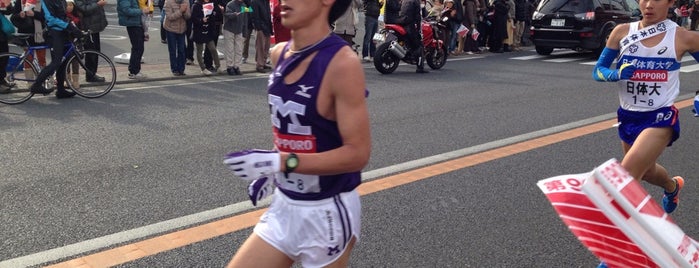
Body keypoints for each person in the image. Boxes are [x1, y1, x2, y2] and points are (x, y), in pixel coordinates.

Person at [222, 0, 370, 265]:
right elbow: (296, 133)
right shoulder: (279, 53)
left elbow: (357, 154)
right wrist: (275, 167)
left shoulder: (342, 63)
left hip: (327, 213)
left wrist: (282, 162)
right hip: (284, 207)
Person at [591, 0, 696, 264]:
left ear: (670, 2)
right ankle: (672, 186)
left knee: (625, 180)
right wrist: (614, 75)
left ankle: (613, 254)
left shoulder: (683, 37)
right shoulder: (622, 32)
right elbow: (598, 71)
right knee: (646, 171)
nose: (648, 5)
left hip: (660, 117)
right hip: (628, 116)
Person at [31, 0, 84, 97]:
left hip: (63, 32)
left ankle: (60, 90)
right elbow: (50, 18)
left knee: (64, 61)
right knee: (56, 61)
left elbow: (63, 16)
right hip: (54, 33)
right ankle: (37, 85)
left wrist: (72, 27)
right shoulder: (46, 1)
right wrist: (68, 26)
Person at [11, 0, 47, 81]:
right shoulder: (20, 2)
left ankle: (43, 80)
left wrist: (34, 14)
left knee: (42, 58)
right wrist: (20, 15)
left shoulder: (41, 2)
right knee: (28, 59)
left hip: (39, 34)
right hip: (26, 34)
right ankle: (30, 81)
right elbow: (13, 18)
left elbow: (46, 17)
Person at [75, 0, 108, 83]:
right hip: (88, 25)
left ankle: (92, 73)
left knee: (96, 50)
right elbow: (83, 9)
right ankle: (90, 75)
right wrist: (98, 4)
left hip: (94, 25)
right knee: (91, 51)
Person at [118, 0, 150, 79]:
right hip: (132, 23)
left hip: (136, 22)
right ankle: (134, 71)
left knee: (138, 47)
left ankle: (134, 70)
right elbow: (126, 10)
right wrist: (141, 11)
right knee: (138, 47)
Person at [191, 0, 222, 75]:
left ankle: (218, 66)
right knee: (199, 50)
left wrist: (213, 29)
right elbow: (193, 18)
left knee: (213, 49)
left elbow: (212, 18)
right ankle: (203, 68)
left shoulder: (209, 5)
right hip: (198, 31)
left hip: (208, 31)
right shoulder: (195, 6)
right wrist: (201, 20)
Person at [397, 0, 428, 72]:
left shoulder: (405, 1)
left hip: (401, 22)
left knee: (408, 42)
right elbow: (418, 17)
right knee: (419, 45)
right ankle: (420, 67)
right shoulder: (416, 2)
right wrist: (418, 30)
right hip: (409, 25)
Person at [163, 0, 191, 76]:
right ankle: (174, 69)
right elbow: (170, 17)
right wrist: (180, 11)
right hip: (170, 28)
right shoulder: (168, 2)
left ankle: (181, 69)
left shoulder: (186, 1)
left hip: (182, 29)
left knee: (182, 50)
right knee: (172, 50)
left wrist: (185, 12)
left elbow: (188, 16)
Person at [223, 0, 250, 75]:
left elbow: (245, 20)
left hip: (239, 29)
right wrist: (234, 14)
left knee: (239, 49)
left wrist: (245, 32)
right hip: (229, 29)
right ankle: (229, 66)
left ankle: (237, 66)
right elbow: (227, 14)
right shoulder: (230, 4)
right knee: (230, 49)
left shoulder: (244, 5)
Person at [249, 0, 272, 72]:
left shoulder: (266, 1)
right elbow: (254, 16)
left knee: (266, 46)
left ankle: (263, 62)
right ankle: (259, 64)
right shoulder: (255, 2)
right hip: (260, 27)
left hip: (267, 26)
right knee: (260, 47)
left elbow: (268, 14)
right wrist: (258, 27)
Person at [0, 0, 14, 92]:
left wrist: (8, 5)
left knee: (4, 57)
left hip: (2, 34)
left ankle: (2, 80)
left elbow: (8, 11)